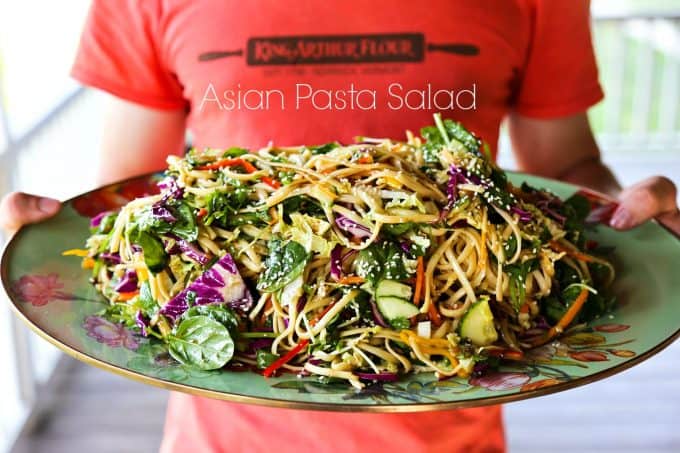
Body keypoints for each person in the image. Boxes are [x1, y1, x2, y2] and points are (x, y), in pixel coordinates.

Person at [2, 1, 679, 452]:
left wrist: (633, 212)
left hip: (453, 428)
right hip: (224, 429)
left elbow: (566, 167)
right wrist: (40, 231)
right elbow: (132, 202)